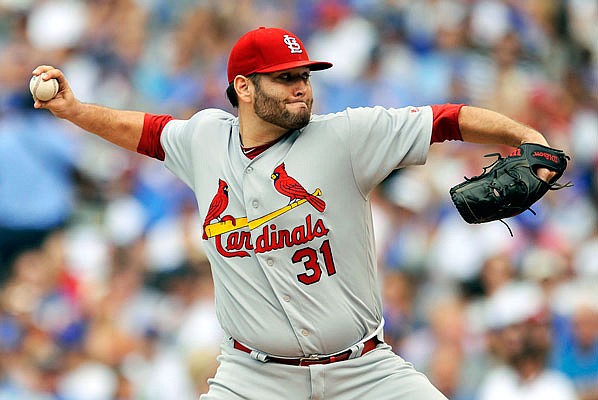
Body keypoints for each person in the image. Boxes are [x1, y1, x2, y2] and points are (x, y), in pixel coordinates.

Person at [32, 26, 560, 400]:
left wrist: (528, 138)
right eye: (284, 77)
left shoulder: (346, 137)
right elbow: (144, 132)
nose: (301, 85)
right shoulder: (204, 139)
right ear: (244, 87)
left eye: (304, 74)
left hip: (364, 372)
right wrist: (75, 110)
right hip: (252, 378)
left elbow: (447, 119)